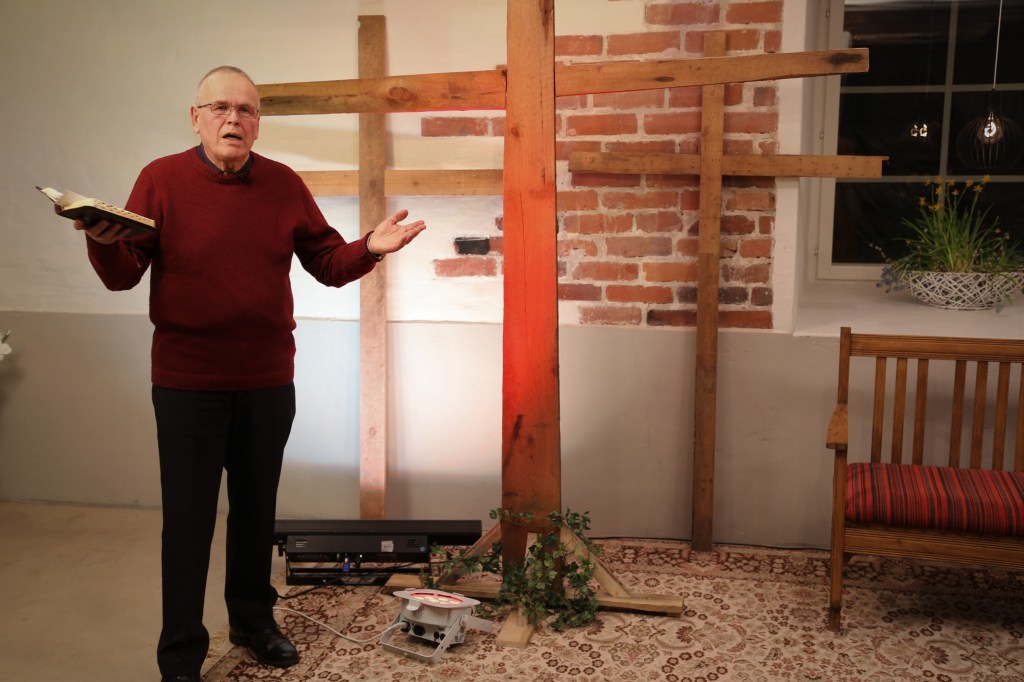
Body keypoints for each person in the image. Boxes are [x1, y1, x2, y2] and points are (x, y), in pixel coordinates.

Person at [75, 65, 425, 682]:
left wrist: (369, 248)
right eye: (220, 108)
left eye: (245, 110)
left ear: (258, 124)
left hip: (267, 381)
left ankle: (253, 622)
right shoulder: (160, 179)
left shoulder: (283, 184)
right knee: (187, 523)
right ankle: (181, 654)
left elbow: (327, 262)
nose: (233, 119)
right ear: (196, 118)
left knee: (256, 512)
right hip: (186, 384)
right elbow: (123, 274)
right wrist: (102, 241)